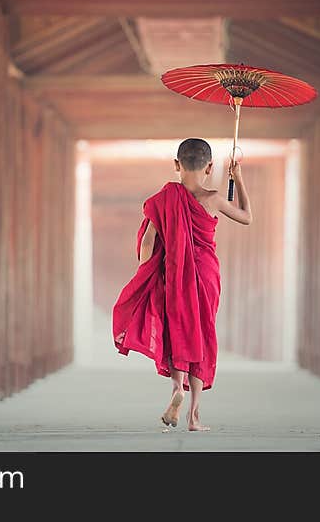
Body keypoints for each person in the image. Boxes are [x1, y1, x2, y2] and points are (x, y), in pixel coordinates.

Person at [112, 138, 252, 432]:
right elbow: (246, 217)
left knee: (178, 330)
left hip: (174, 273)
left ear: (177, 165)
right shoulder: (214, 198)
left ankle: (177, 388)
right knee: (201, 334)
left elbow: (149, 239)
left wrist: (145, 272)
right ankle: (194, 416)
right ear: (210, 166)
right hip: (207, 275)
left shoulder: (165, 198)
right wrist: (237, 178)